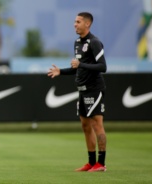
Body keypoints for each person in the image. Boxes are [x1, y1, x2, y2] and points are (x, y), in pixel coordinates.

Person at [47, 12, 107, 172]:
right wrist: (61, 71)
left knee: (97, 125)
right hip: (81, 90)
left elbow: (103, 67)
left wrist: (81, 65)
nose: (75, 24)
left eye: (78, 21)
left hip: (94, 89)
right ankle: (91, 162)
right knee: (85, 126)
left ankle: (101, 163)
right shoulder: (77, 43)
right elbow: (78, 68)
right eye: (74, 21)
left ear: (87, 24)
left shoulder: (94, 42)